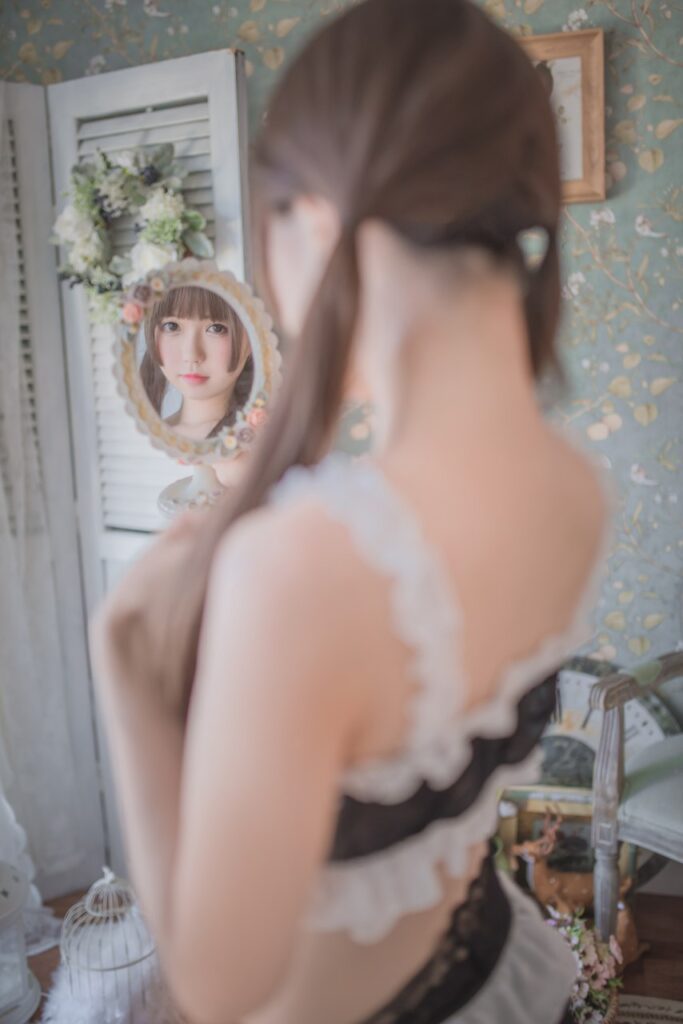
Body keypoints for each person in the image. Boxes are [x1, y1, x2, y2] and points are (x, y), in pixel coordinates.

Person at [90, 1, 610, 1022]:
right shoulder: (574, 488)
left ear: (318, 222)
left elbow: (217, 986)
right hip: (492, 975)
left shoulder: (307, 566)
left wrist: (124, 672)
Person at [140, 285, 254, 442]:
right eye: (172, 326)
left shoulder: (261, 439)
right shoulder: (143, 439)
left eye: (216, 328)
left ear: (253, 339)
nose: (191, 355)